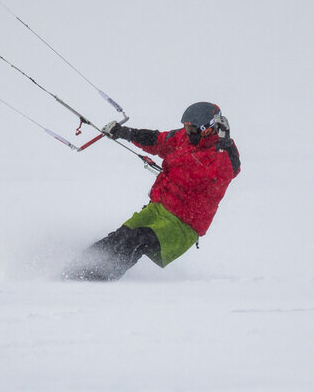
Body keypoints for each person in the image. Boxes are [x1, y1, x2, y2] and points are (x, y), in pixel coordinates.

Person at [62, 101, 240, 281]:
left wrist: (227, 144)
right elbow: (157, 140)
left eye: (193, 130)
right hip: (158, 208)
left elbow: (233, 168)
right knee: (119, 237)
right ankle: (71, 271)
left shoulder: (221, 155)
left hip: (182, 225)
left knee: (138, 240)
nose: (188, 133)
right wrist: (125, 133)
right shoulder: (183, 138)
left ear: (209, 128)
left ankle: (93, 281)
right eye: (186, 128)